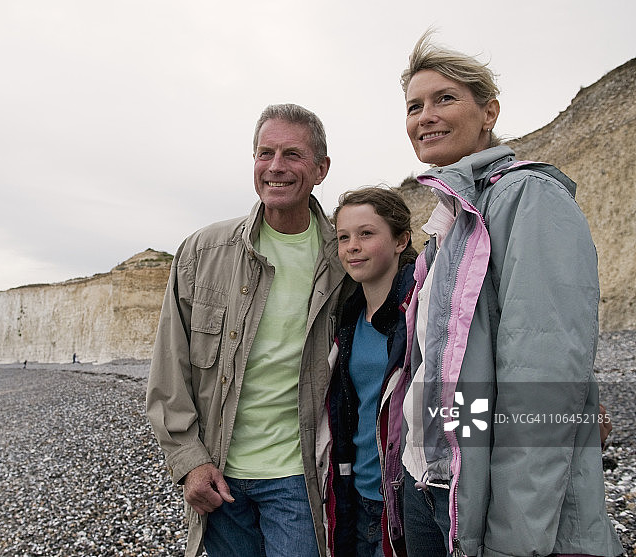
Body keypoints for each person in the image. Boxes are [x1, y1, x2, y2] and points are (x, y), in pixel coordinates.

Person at [394, 31, 623, 556]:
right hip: (432, 486)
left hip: (483, 504)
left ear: (489, 111)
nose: (425, 115)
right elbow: (445, 374)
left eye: (444, 99)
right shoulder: (451, 224)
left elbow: (541, 381)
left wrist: (515, 538)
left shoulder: (529, 200)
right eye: (414, 106)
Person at [146, 103, 349, 557]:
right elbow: (169, 369)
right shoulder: (203, 251)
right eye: (265, 153)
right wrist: (189, 462)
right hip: (219, 476)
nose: (276, 167)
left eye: (292, 154)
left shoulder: (344, 260)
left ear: (321, 168)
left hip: (299, 476)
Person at [324, 187, 417, 557]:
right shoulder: (348, 319)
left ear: (400, 240)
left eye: (366, 234)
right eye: (344, 237)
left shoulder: (420, 311)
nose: (352, 246)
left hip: (410, 499)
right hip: (358, 492)